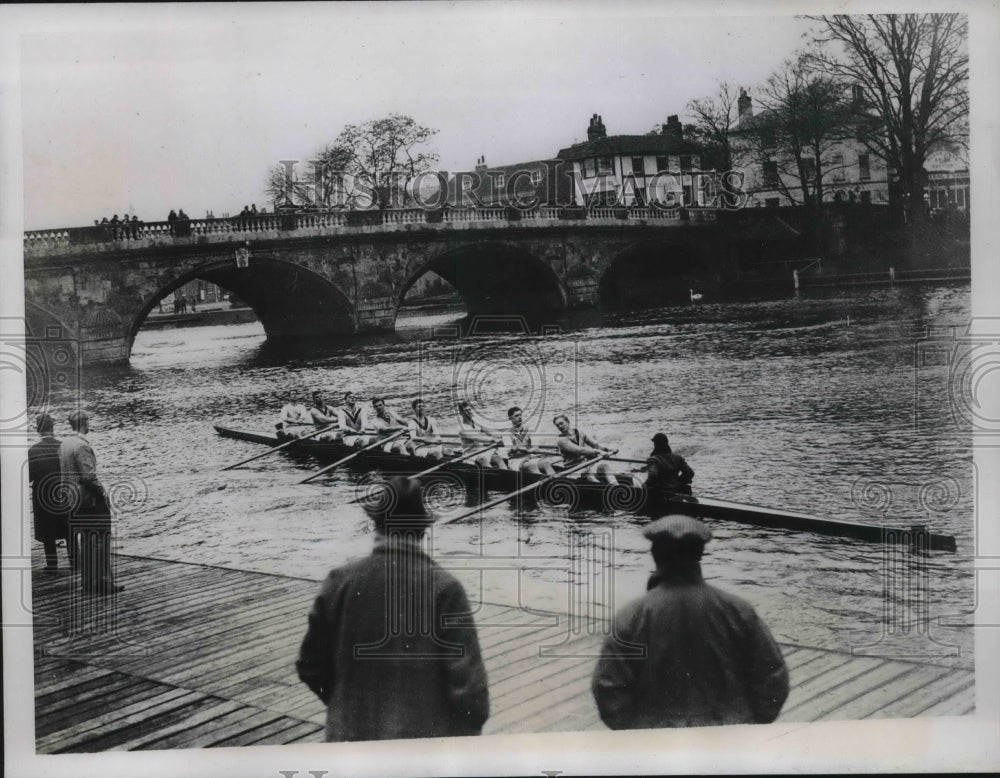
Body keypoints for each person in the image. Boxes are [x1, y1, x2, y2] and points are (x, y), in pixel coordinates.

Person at [296, 476, 490, 741]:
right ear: (423, 529)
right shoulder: (446, 588)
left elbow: (310, 665)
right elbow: (470, 690)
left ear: (376, 524)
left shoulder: (339, 580)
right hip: (421, 747)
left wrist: (345, 703)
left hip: (347, 739)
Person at [592, 514, 788, 729]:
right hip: (728, 737)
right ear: (700, 553)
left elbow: (608, 686)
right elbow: (772, 675)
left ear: (655, 554)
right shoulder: (738, 610)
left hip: (656, 741)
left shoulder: (632, 616)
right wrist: (751, 721)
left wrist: (634, 731)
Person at [59, 411, 121, 595]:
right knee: (101, 539)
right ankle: (104, 583)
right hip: (89, 499)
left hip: (73, 499)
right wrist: (103, 492)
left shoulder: (65, 444)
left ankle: (88, 582)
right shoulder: (81, 446)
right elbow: (89, 476)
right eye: (88, 421)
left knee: (86, 540)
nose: (89, 424)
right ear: (84, 423)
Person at [28, 413, 72, 572]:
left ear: (38, 429)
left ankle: (52, 565)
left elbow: (29, 476)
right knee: (68, 527)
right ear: (52, 427)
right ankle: (75, 562)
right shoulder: (64, 446)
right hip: (63, 492)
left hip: (42, 494)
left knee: (47, 529)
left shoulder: (33, 451)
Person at [553, 414, 617, 484]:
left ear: (568, 422)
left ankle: (616, 486)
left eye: (561, 423)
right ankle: (603, 488)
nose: (560, 426)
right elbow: (580, 450)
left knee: (604, 466)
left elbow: (595, 444)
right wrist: (598, 451)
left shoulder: (579, 432)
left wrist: (608, 449)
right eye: (557, 425)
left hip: (585, 464)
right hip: (573, 469)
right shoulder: (561, 440)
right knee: (588, 474)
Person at [643, 432, 695, 513]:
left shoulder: (653, 459)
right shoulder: (678, 458)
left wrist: (643, 487)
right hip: (677, 491)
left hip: (662, 494)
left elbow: (652, 478)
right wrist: (679, 482)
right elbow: (690, 473)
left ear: (656, 444)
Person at [504, 406, 555, 475]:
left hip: (530, 457)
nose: (519, 417)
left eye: (520, 415)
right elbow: (509, 449)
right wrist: (520, 449)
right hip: (516, 461)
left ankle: (557, 480)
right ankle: (544, 481)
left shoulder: (529, 430)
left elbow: (535, 446)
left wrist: (531, 450)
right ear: (510, 419)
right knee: (531, 465)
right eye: (516, 416)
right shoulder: (507, 433)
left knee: (545, 463)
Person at [457, 400, 504, 468]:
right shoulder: (462, 428)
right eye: (466, 410)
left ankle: (508, 475)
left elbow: (488, 430)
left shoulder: (476, 423)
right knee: (483, 459)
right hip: (471, 455)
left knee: (497, 457)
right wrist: (493, 440)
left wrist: (500, 435)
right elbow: (478, 437)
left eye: (470, 410)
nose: (469, 412)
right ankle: (494, 477)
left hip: (482, 451)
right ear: (461, 413)